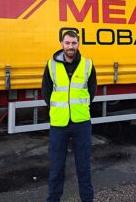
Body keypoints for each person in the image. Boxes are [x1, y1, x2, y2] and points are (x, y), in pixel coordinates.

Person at [42, 30, 97, 202]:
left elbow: (92, 91)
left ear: (78, 44)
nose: (70, 46)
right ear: (61, 44)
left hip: (81, 123)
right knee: (56, 168)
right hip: (59, 124)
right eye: (67, 43)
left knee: (84, 168)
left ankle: (87, 200)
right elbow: (46, 92)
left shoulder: (88, 64)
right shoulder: (51, 65)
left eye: (74, 43)